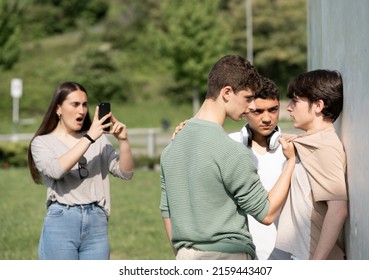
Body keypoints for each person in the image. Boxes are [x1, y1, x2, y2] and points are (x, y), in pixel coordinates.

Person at [159, 54, 296, 260]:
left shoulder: (172, 147)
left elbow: (167, 210)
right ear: (227, 92)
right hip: (227, 257)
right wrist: (291, 163)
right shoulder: (230, 150)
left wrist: (183, 254)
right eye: (248, 98)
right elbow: (266, 213)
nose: (251, 106)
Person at [27, 81, 134, 260]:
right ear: (58, 109)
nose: (82, 111)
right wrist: (89, 137)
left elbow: (126, 173)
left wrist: (123, 140)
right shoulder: (42, 142)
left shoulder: (98, 140)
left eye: (84, 104)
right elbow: (56, 170)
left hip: (96, 223)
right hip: (62, 221)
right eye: (75, 104)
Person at [275, 69, 348, 260]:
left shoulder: (324, 147)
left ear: (318, 105)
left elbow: (338, 208)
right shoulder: (310, 142)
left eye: (295, 101)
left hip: (312, 258)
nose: (289, 108)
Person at [228, 76, 291, 260]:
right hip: (240, 256)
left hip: (285, 258)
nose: (267, 118)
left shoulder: (292, 150)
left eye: (273, 110)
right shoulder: (229, 145)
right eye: (258, 112)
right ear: (245, 111)